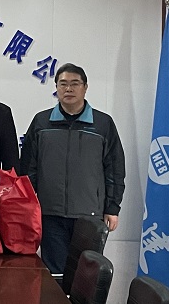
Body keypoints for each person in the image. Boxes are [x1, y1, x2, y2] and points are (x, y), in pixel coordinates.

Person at [20, 63, 126, 274]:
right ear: (56, 88)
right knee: (55, 274)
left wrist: (112, 208)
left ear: (85, 87)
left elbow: (114, 168)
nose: (68, 89)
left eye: (75, 84)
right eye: (63, 84)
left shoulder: (103, 124)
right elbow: (28, 168)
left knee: (87, 275)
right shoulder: (42, 122)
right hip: (50, 213)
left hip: (90, 215)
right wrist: (28, 205)